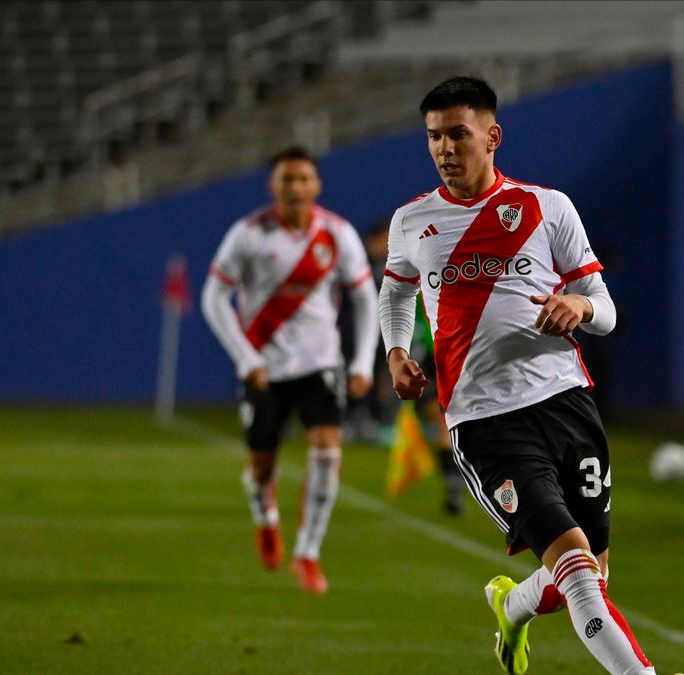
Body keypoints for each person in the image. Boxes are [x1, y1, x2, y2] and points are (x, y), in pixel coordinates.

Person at [378, 76, 658, 675]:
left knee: (590, 575)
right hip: (485, 422)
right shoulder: (412, 222)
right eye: (434, 138)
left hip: (567, 403)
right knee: (579, 571)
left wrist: (580, 307)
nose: (445, 149)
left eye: (458, 134)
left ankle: (514, 603)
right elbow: (396, 293)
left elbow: (602, 309)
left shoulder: (547, 206)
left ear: (492, 135)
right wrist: (396, 351)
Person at [201, 146, 379, 595]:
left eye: (304, 179)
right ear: (273, 186)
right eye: (287, 180)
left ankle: (308, 552)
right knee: (262, 467)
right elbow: (213, 298)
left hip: (321, 363)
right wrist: (247, 358)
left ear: (316, 186)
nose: (296, 187)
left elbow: (363, 298)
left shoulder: (337, 234)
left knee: (328, 452)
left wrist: (360, 361)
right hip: (265, 368)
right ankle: (265, 516)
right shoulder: (248, 235)